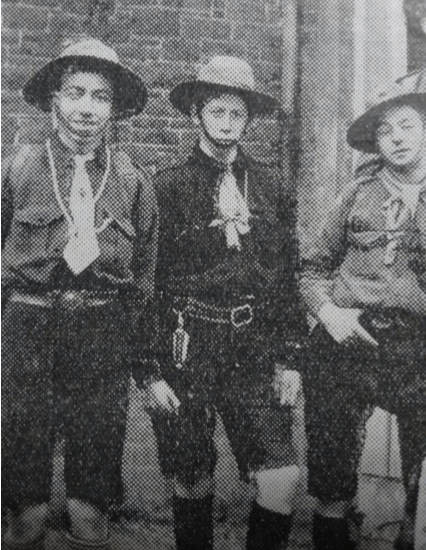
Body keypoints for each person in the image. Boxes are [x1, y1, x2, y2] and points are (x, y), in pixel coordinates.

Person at [1, 38, 176, 550]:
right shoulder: (18, 169)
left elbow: (143, 279)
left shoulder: (133, 181)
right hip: (29, 320)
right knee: (24, 448)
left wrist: (136, 350)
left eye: (100, 97)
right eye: (75, 93)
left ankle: (90, 507)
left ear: (114, 108)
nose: (86, 108)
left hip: (103, 326)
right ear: (54, 98)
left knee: (93, 474)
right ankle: (23, 508)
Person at [148, 55, 303, 550]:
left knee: (282, 479)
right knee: (192, 476)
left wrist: (290, 359)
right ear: (197, 113)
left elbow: (286, 276)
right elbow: (148, 283)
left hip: (253, 345)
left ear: (248, 119)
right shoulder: (167, 186)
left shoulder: (272, 186)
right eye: (217, 110)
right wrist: (150, 371)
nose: (227, 122)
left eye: (238, 113)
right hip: (187, 343)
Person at [300, 70, 426, 550]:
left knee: (422, 470)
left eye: (407, 125)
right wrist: (329, 313)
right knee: (332, 471)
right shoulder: (355, 194)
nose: (396, 138)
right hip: (346, 339)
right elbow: (311, 268)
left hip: (416, 347)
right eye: (385, 130)